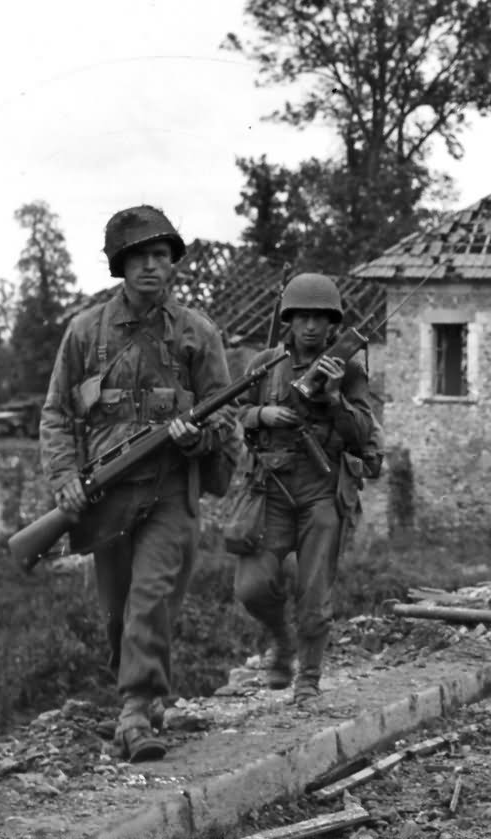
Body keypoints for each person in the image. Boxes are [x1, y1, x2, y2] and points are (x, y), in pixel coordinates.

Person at [40, 205, 235, 763]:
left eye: (161, 256)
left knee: (151, 599)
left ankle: (133, 712)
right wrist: (64, 478)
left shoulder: (198, 334)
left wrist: (198, 439)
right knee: (116, 611)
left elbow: (222, 418)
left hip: (171, 489)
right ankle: (142, 697)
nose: (152, 266)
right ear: (120, 265)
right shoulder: (85, 332)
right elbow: (56, 413)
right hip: (107, 493)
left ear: (173, 263)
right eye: (140, 257)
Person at [232, 273, 377, 704]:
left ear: (333, 324)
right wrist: (263, 415)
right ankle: (282, 639)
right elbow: (232, 414)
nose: (311, 327)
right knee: (252, 588)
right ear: (288, 321)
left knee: (314, 594)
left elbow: (362, 435)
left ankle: (308, 680)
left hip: (321, 490)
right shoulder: (265, 363)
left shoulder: (348, 369)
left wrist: (334, 399)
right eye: (302, 317)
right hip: (270, 489)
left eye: (319, 318)